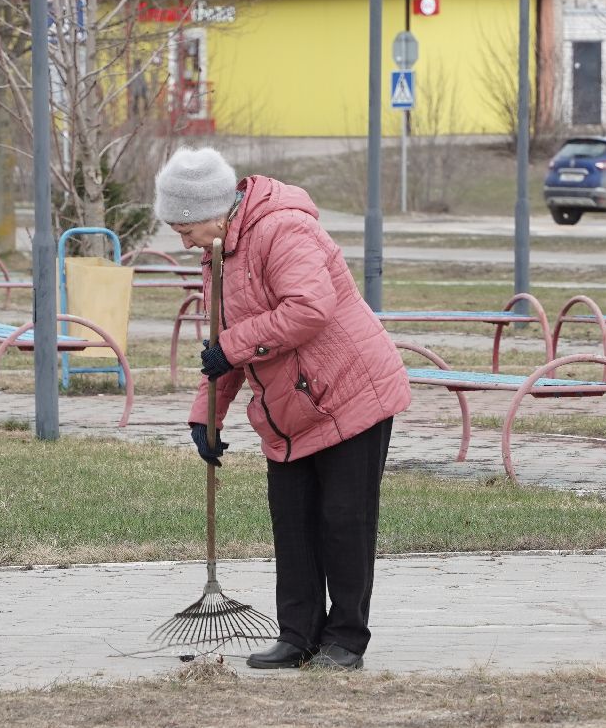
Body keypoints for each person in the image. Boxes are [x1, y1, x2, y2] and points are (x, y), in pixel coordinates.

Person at [152, 146, 412, 671]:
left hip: (351, 394)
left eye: (186, 229)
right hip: (290, 409)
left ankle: (345, 638)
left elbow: (309, 308)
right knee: (292, 523)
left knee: (343, 522)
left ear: (216, 211)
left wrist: (232, 347)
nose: (184, 242)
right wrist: (206, 416)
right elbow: (224, 342)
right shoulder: (219, 254)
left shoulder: (283, 228)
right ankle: (298, 635)